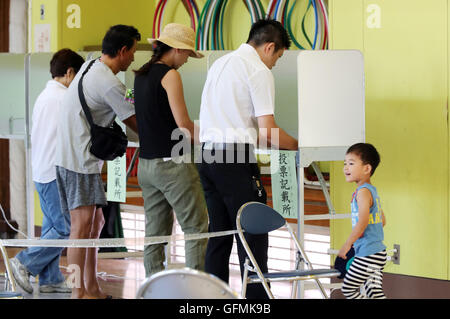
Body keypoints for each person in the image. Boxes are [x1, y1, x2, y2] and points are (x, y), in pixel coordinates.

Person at [198, 19, 298, 299]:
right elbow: (269, 131)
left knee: (219, 234)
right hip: (234, 158)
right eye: (277, 57)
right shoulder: (258, 71)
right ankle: (257, 301)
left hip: (206, 155)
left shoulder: (221, 63)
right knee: (252, 231)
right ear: (269, 47)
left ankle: (211, 297)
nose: (275, 64)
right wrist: (300, 145)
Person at [55, 25, 140, 299]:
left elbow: (126, 97)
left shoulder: (93, 64)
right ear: (123, 51)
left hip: (75, 157)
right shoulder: (109, 82)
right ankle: (77, 292)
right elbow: (133, 118)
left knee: (96, 221)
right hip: (79, 161)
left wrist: (137, 94)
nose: (134, 59)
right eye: (133, 53)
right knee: (81, 226)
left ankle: (91, 288)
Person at [133, 23, 208, 277]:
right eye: (187, 53)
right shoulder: (170, 75)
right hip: (173, 165)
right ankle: (195, 291)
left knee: (155, 233)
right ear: (176, 49)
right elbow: (184, 124)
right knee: (196, 228)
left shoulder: (140, 74)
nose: (187, 59)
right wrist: (212, 141)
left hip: (146, 166)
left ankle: (152, 287)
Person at [9, 49, 85, 295]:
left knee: (53, 225)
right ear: (69, 73)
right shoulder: (63, 99)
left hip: (41, 170)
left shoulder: (45, 95)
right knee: (65, 228)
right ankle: (24, 262)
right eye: (79, 75)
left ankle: (50, 278)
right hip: (55, 173)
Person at [338, 143, 387, 299]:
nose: (346, 167)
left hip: (367, 254)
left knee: (348, 290)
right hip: (379, 252)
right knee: (374, 292)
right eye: (345, 163)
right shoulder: (372, 191)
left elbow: (363, 222)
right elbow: (382, 221)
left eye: (351, 163)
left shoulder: (363, 192)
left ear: (367, 168)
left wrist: (347, 244)